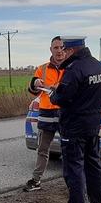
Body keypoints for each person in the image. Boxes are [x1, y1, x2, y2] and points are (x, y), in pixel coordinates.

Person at [49, 36, 101, 203]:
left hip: (73, 127)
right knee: (94, 165)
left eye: (65, 49)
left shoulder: (74, 69)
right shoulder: (98, 66)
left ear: (72, 50)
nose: (63, 53)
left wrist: (53, 95)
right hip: (92, 125)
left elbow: (63, 97)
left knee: (73, 169)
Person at [23, 36, 67, 192]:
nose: (59, 51)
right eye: (56, 48)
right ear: (51, 50)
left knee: (70, 149)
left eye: (62, 47)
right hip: (46, 114)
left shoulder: (72, 67)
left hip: (65, 113)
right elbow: (33, 89)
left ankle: (74, 180)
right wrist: (34, 83)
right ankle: (36, 181)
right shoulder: (42, 69)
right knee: (42, 150)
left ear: (66, 48)